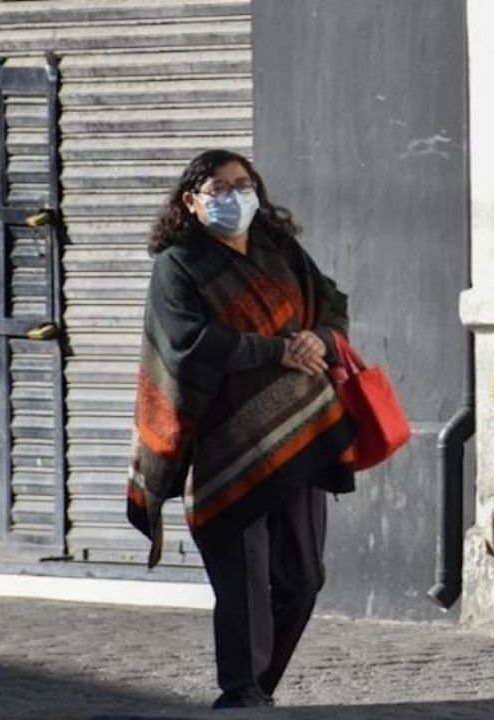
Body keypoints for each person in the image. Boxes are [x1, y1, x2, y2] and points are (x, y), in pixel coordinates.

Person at [128, 149, 355, 709]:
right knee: (244, 582)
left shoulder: (281, 253)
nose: (235, 196)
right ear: (192, 201)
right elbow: (188, 343)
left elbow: (333, 307)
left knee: (303, 579)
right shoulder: (178, 265)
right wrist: (277, 350)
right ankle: (242, 690)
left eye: (243, 184)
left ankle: (259, 686)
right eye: (220, 188)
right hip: (221, 447)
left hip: (299, 435)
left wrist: (318, 341)